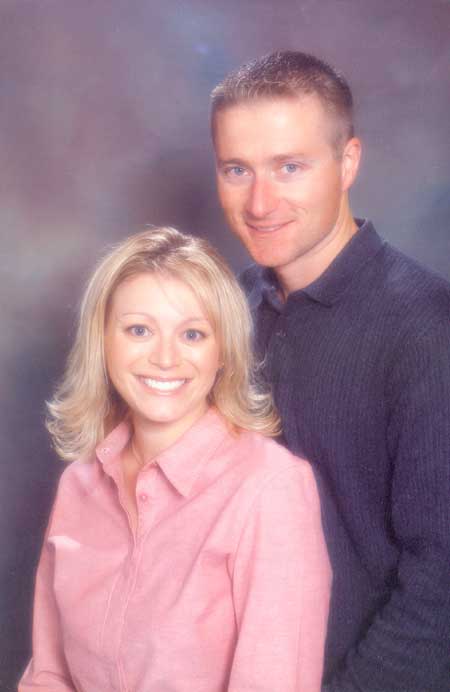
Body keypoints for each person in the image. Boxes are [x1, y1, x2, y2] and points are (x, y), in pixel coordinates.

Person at [211, 51, 450, 691]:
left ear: (348, 163)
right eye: (237, 169)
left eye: (290, 167)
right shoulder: (225, 312)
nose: (260, 202)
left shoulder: (429, 329)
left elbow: (441, 588)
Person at [19, 226, 331, 692]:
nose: (165, 358)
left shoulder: (271, 488)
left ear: (223, 351)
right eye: (139, 330)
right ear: (103, 342)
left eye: (192, 334)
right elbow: (48, 676)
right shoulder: (78, 485)